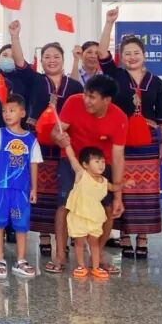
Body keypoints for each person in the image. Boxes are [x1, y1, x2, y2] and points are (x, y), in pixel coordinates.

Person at [97, 7, 162, 259]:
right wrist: (109, 23)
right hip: (121, 140)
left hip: (148, 142)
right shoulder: (115, 75)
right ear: (121, 57)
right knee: (123, 188)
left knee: (146, 190)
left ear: (144, 55)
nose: (131, 57)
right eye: (127, 53)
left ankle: (143, 237)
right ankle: (125, 235)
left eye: (136, 53)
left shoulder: (156, 82)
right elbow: (101, 53)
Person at [10, 20, 83, 258]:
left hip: (64, 144)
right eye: (47, 57)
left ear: (63, 60)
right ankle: (43, 235)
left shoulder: (74, 85)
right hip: (38, 142)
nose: (51, 60)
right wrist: (15, 36)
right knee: (40, 188)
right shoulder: (36, 80)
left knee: (64, 189)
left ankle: (63, 236)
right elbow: (20, 63)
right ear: (41, 61)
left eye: (56, 57)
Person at [46, 74, 128, 276]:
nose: (86, 100)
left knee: (108, 208)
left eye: (92, 97)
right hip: (72, 160)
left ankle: (97, 256)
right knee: (64, 205)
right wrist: (59, 138)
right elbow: (55, 132)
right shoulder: (73, 102)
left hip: (101, 165)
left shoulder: (119, 118)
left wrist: (118, 196)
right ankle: (60, 255)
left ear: (106, 100)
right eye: (85, 94)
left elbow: (118, 157)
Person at [0, 94, 41, 279]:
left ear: (23, 113)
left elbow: (34, 164)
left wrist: (34, 189)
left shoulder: (31, 139)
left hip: (21, 191)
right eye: (4, 111)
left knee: (21, 225)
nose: (7, 114)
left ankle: (21, 260)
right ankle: (0, 260)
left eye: (12, 110)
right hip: (1, 189)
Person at [61, 143, 126, 281]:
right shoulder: (81, 174)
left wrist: (124, 184)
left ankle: (95, 267)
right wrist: (67, 145)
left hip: (95, 216)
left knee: (94, 243)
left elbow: (113, 188)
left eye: (103, 161)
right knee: (79, 242)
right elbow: (72, 157)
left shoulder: (103, 181)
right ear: (85, 164)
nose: (101, 165)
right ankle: (81, 266)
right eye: (96, 161)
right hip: (79, 216)